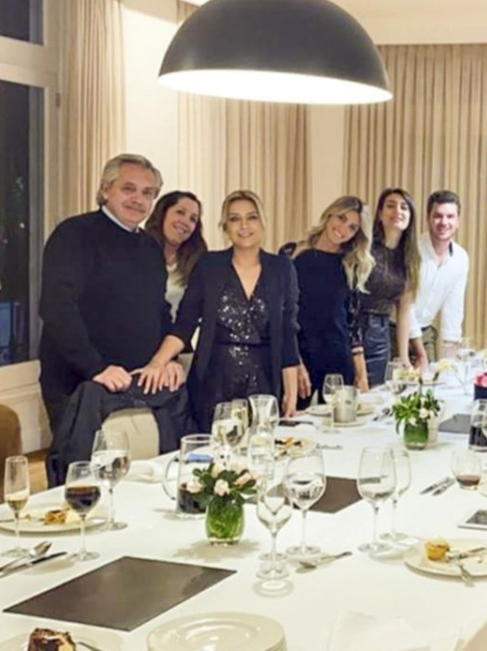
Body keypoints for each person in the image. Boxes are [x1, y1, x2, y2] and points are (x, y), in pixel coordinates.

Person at [39, 154, 188, 484]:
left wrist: (170, 360)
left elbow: (159, 312)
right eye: (128, 189)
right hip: (80, 384)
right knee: (83, 485)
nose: (138, 199)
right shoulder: (73, 234)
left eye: (148, 193)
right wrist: (96, 368)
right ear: (106, 190)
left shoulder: (150, 248)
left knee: (145, 479)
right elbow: (56, 308)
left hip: (138, 385)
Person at [138, 190, 300, 423]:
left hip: (264, 382)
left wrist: (291, 392)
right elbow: (184, 324)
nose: (244, 226)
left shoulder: (282, 268)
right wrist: (157, 363)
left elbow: (287, 333)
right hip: (213, 380)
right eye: (234, 219)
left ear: (263, 223)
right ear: (225, 227)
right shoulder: (208, 265)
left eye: (252, 217)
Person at [280, 196, 375, 406]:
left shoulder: (352, 265)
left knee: (340, 424)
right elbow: (282, 315)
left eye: (352, 227)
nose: (343, 229)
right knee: (292, 422)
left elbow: (353, 323)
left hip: (338, 359)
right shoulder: (292, 255)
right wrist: (294, 361)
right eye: (341, 218)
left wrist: (361, 375)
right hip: (300, 356)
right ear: (330, 214)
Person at [358, 187, 421, 386]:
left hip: (381, 334)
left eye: (404, 207)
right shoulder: (364, 248)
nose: (397, 211)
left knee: (376, 394)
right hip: (353, 330)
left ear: (411, 216)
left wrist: (403, 358)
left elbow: (404, 311)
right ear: (380, 214)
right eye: (390, 206)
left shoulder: (410, 258)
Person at [409, 190, 470, 364]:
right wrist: (420, 352)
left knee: (437, 376)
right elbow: (405, 306)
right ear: (428, 219)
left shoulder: (460, 258)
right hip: (395, 329)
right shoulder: (412, 250)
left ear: (458, 221)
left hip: (425, 331)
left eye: (450, 216)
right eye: (438, 216)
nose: (444, 222)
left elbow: (453, 310)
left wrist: (451, 361)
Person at [144, 190, 207, 321]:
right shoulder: (138, 251)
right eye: (180, 212)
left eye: (193, 219)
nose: (185, 222)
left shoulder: (198, 263)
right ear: (163, 214)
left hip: (177, 333)